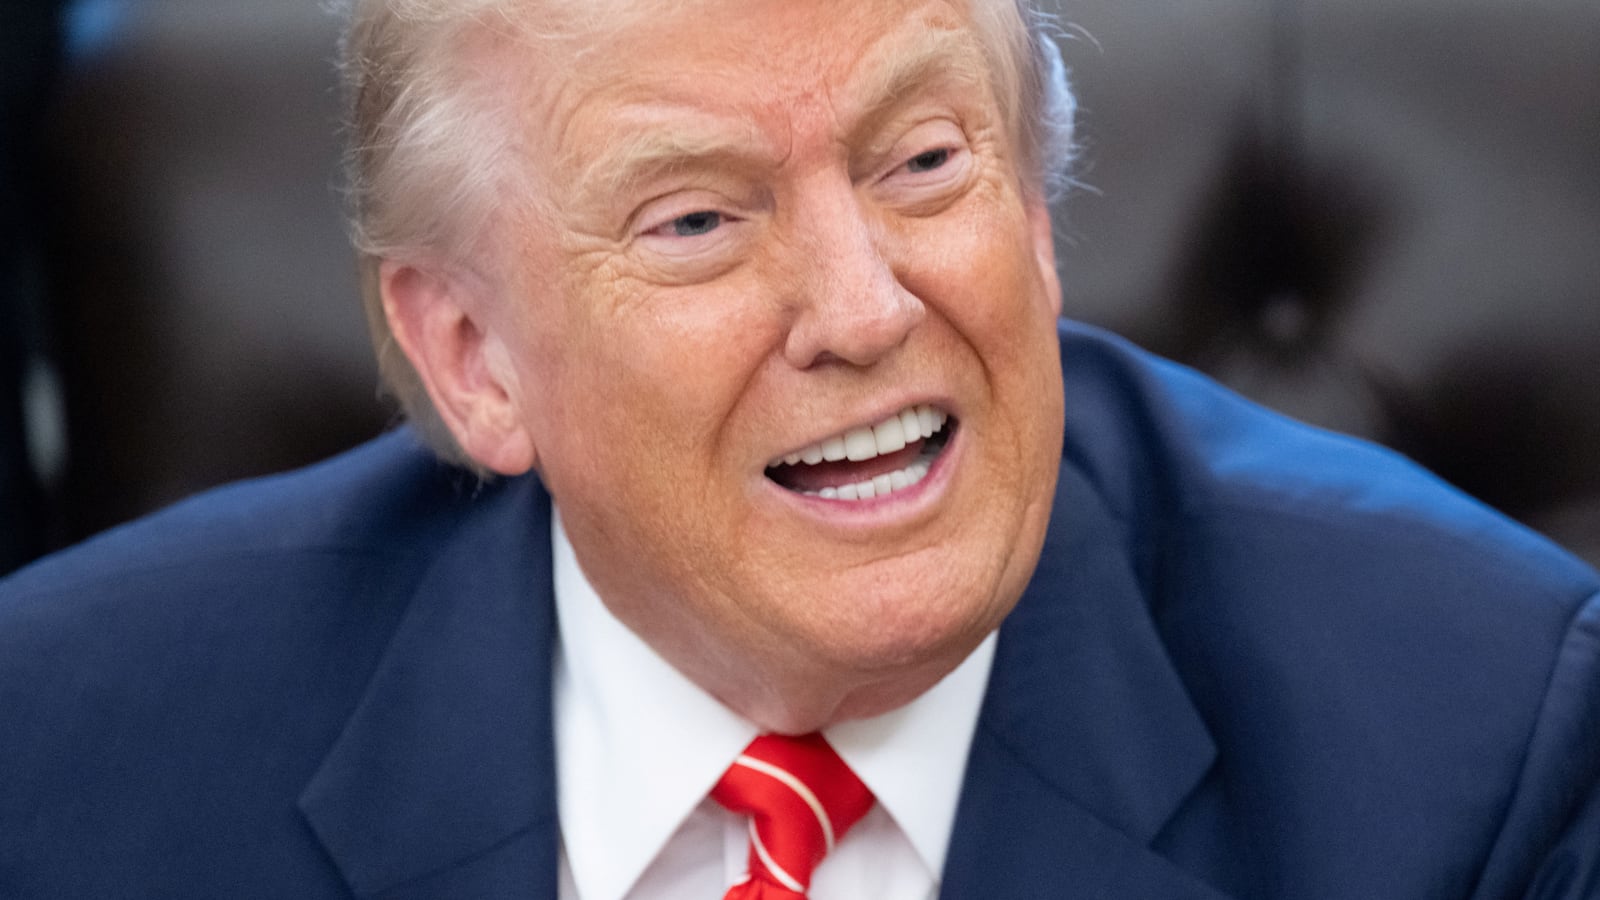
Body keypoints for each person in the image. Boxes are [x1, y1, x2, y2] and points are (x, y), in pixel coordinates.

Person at [1, 0, 1596, 897]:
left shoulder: (1476, 738)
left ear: (1039, 217)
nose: (862, 307)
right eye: (696, 219)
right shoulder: (67, 750)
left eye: (923, 161)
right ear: (473, 356)